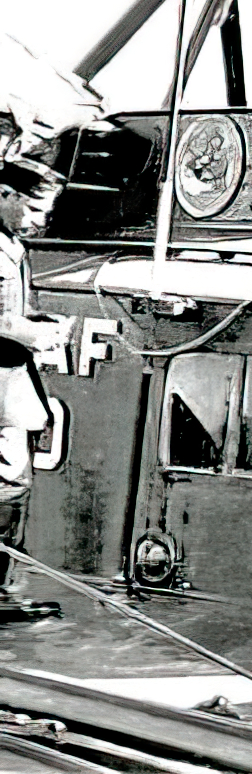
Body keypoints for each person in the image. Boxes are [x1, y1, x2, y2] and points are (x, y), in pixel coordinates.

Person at [0, 149, 63, 618]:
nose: (41, 219)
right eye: (34, 207)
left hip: (9, 378)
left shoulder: (13, 246)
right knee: (9, 483)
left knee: (13, 483)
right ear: (4, 194)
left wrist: (36, 321)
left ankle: (2, 589)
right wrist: (33, 334)